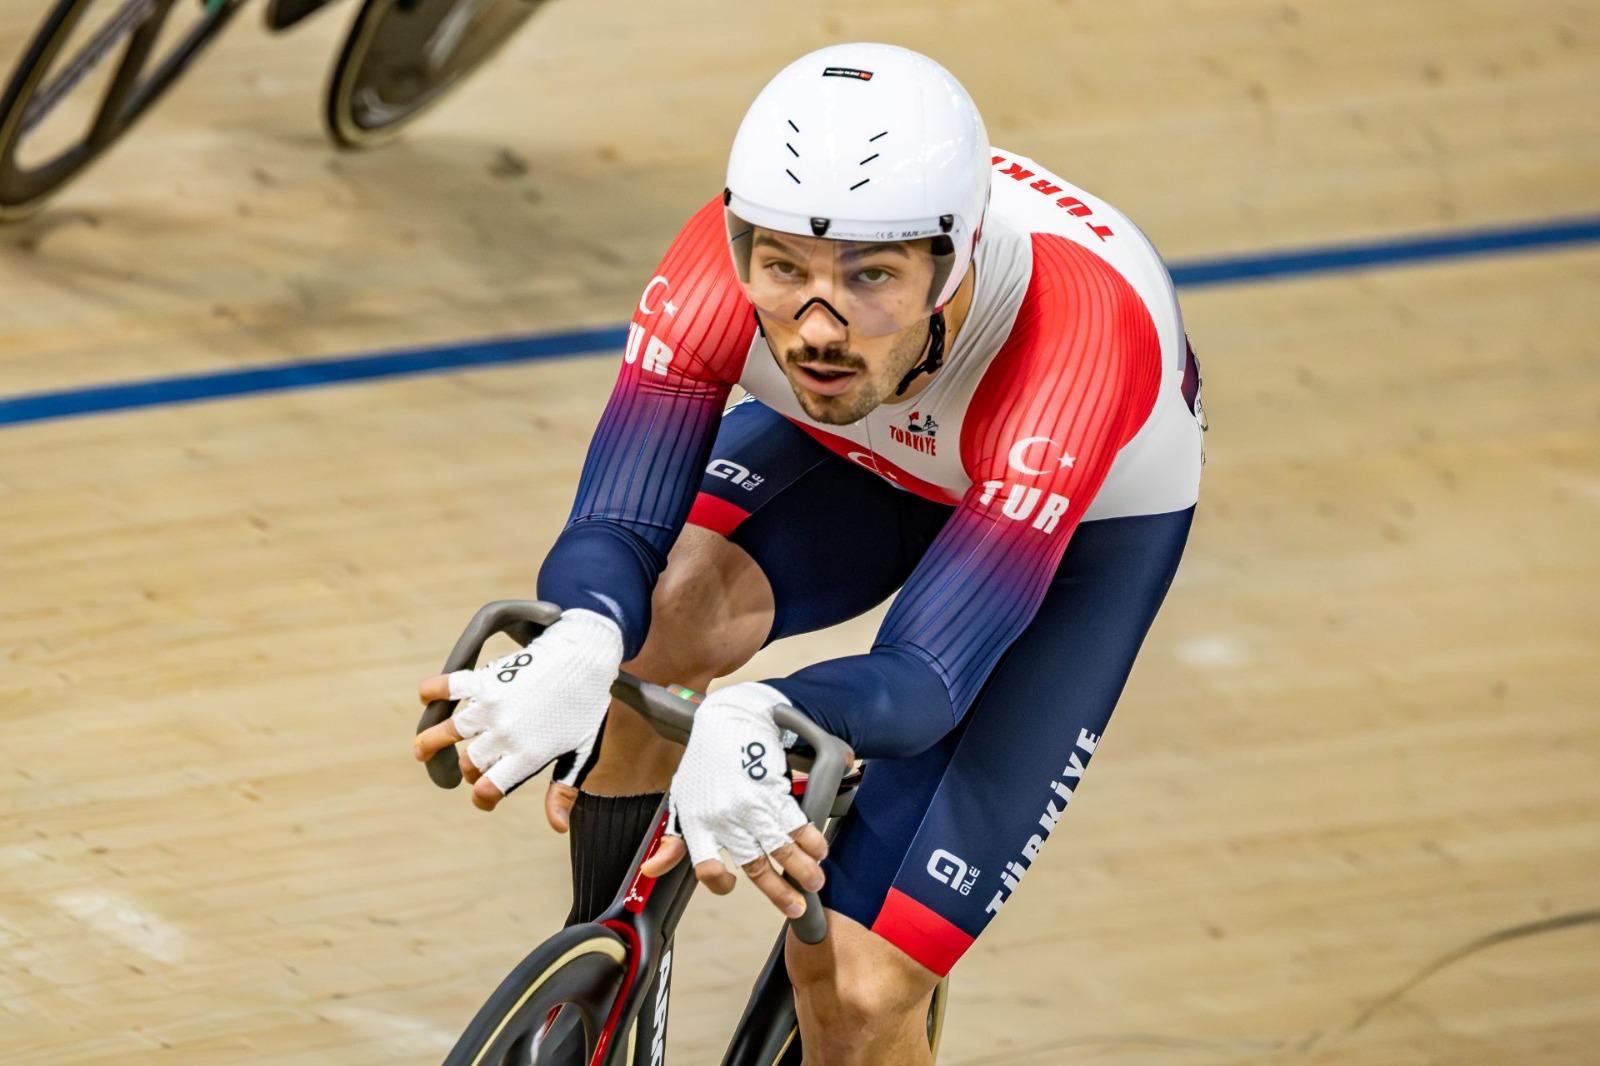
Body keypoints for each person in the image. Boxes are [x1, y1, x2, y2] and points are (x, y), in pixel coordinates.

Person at [415, 41, 1204, 1065]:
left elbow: (925, 678)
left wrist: (762, 712)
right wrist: (585, 637)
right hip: (857, 443)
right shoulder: (719, 267)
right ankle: (604, 977)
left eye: (871, 277)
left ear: (955, 262)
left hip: (1067, 518)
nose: (818, 327)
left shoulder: (1075, 343)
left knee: (863, 993)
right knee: (662, 618)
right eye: (784, 270)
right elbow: (615, 525)